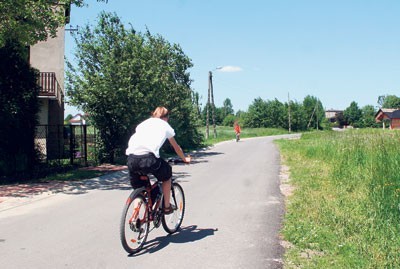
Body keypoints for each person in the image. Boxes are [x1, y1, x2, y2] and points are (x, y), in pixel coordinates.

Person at [126, 107, 190, 214]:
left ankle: (135, 215)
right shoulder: (165, 125)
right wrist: (184, 159)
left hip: (131, 159)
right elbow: (176, 147)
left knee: (139, 187)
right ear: (166, 117)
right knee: (167, 174)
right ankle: (166, 207)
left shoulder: (144, 124)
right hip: (148, 159)